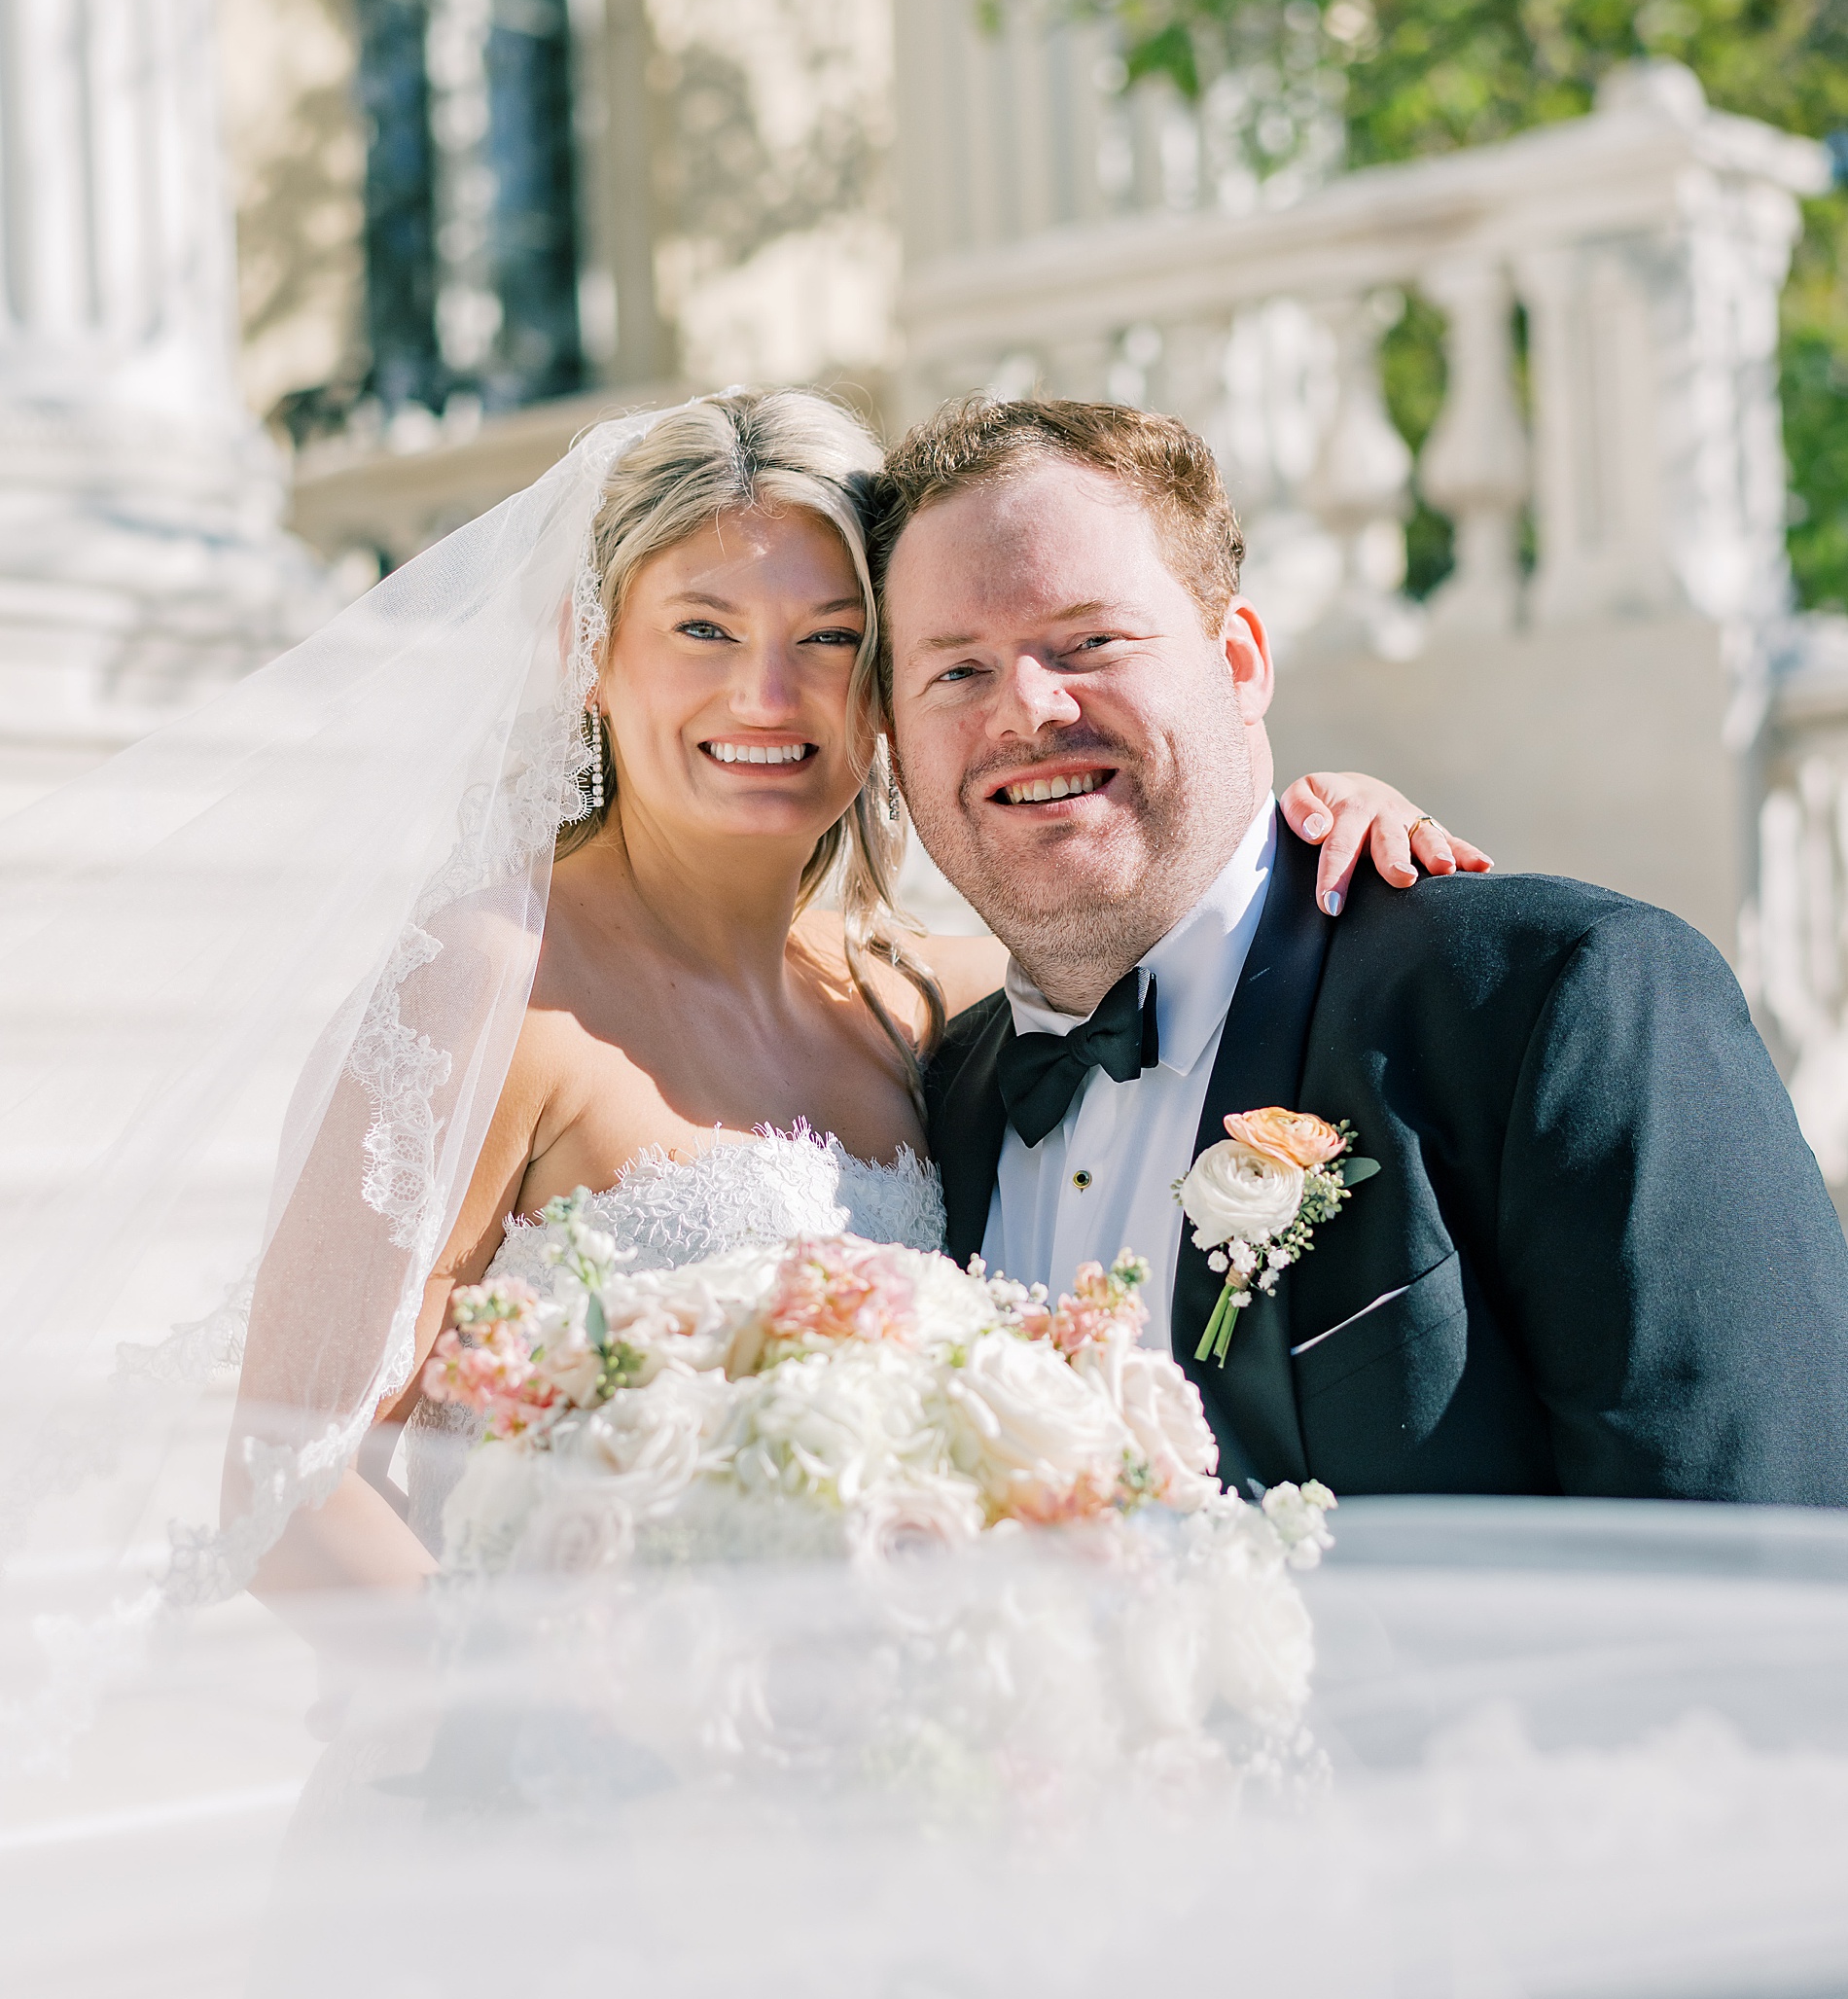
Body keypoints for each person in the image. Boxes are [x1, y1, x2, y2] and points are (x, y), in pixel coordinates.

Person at [221, 390, 1481, 1608]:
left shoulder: (931, 999)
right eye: (703, 630)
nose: (766, 696)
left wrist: (1333, 826)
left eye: (829, 638)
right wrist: (570, 1724)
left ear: (881, 689)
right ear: (590, 653)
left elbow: (1190, 932)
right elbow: (287, 1490)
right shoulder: (485, 985)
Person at [881, 394, 1848, 1507]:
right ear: (893, 742)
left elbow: (1761, 1564)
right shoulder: (925, 1108)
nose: (1028, 708)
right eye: (955, 670)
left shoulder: (1559, 1000)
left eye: (1088, 639)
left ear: (1239, 662)